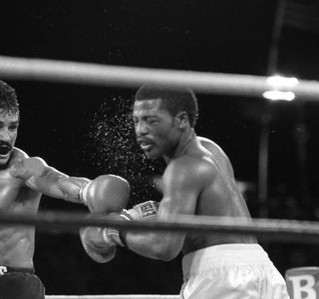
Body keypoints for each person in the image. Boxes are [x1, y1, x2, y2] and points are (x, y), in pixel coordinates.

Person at [0, 79, 130, 299]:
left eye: (13, 127)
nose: (6, 138)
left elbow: (59, 182)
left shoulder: (22, 167)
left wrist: (90, 191)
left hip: (15, 287)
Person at [80, 85, 290, 298]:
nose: (141, 130)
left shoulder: (182, 168)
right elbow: (199, 210)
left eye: (151, 120)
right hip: (264, 272)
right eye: (136, 121)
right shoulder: (210, 149)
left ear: (181, 120)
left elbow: (164, 246)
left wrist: (112, 229)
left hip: (223, 280)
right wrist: (135, 214)